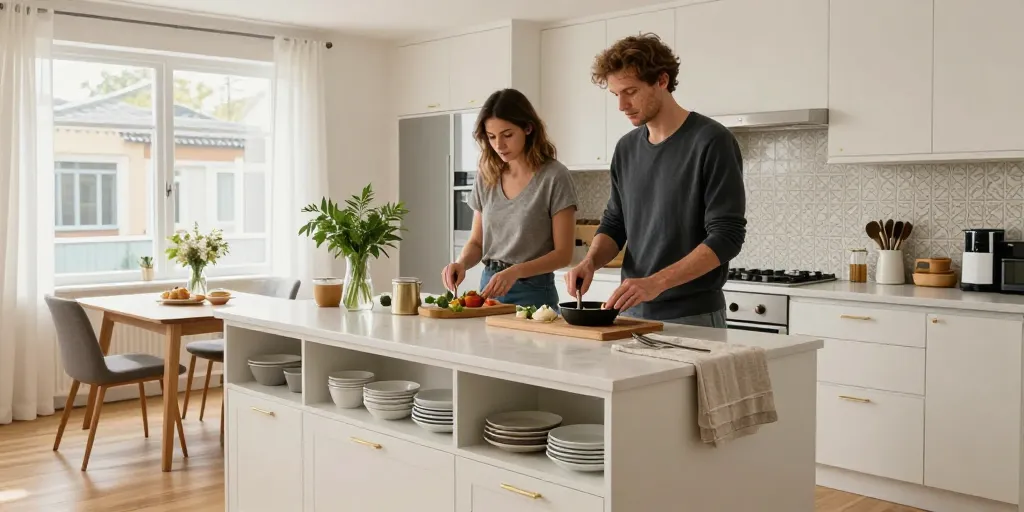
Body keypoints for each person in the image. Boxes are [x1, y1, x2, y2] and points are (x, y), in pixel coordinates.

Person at [564, 33, 747, 328]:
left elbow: (727, 237)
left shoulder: (712, 141)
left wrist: (656, 283)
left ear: (662, 81)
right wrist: (590, 261)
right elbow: (615, 223)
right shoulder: (626, 148)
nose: (622, 105)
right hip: (630, 314)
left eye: (631, 91)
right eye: (616, 95)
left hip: (693, 316)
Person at [441, 88, 578, 310]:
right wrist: (461, 263)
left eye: (507, 135)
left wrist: (516, 271)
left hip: (533, 291)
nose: (499, 145)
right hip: (489, 288)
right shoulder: (487, 175)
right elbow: (477, 242)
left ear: (527, 128)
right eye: (492, 137)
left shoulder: (554, 176)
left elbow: (563, 254)